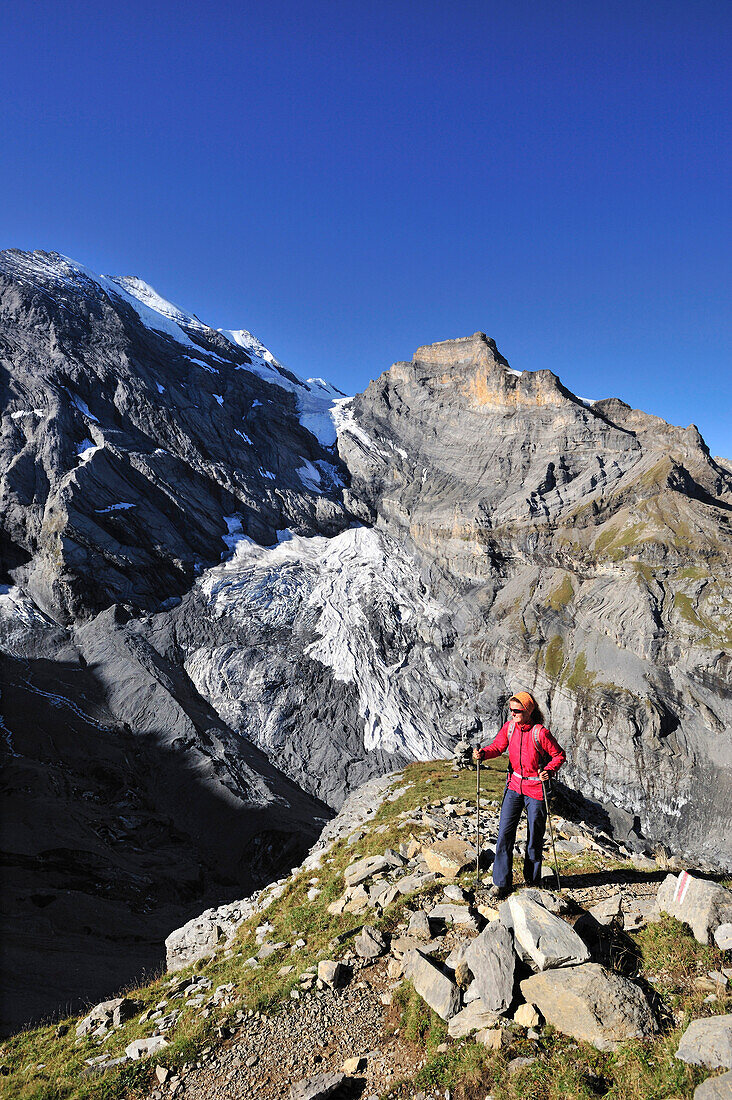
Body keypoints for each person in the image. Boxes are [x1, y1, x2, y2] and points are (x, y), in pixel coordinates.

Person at [473, 691, 565, 899]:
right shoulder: (510, 728)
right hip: (514, 786)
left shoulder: (540, 733)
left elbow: (559, 755)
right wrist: (484, 754)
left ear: (528, 711)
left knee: (534, 836)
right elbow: (498, 747)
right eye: (511, 710)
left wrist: (549, 770)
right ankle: (501, 883)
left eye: (517, 710)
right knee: (505, 834)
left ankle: (532, 882)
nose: (512, 713)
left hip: (535, 790)